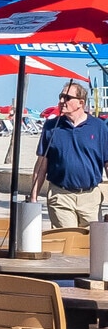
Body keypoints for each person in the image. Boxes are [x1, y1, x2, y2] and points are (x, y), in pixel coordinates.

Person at [31, 81, 108, 227]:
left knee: (91, 245)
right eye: (60, 96)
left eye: (67, 98)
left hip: (90, 197)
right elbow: (41, 164)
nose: (61, 101)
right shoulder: (51, 127)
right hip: (61, 195)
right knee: (68, 241)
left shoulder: (99, 127)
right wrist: (33, 197)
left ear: (80, 102)